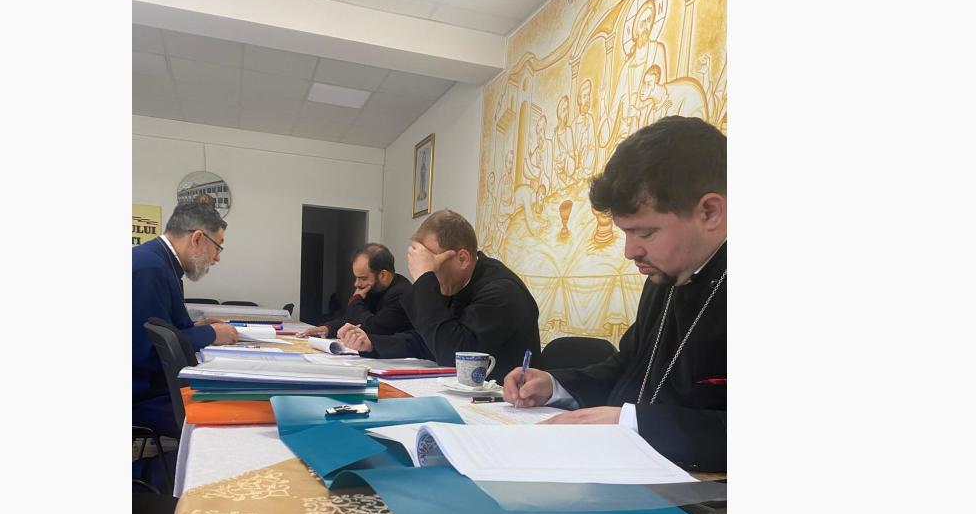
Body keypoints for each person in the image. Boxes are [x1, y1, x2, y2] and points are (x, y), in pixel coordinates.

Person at [503, 116, 726, 471]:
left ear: (710, 212)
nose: (630, 251)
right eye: (626, 233)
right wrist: (555, 385)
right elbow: (629, 366)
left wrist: (632, 423)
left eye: (645, 233)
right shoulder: (665, 278)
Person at [337, 209, 540, 383]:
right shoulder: (456, 283)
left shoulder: (502, 291)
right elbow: (425, 341)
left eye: (430, 265)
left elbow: (453, 355)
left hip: (506, 405)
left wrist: (424, 279)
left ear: (462, 259)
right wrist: (371, 343)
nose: (429, 277)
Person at [132, 200, 237, 437]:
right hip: (141, 396)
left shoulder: (157, 262)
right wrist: (210, 334)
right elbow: (148, 351)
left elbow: (159, 328)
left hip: (149, 387)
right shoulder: (150, 269)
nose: (217, 258)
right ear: (197, 238)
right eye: (218, 247)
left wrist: (196, 327)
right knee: (229, 412)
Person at [298, 243, 413, 338]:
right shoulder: (374, 288)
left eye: (363, 278)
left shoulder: (402, 294)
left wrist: (355, 301)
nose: (356, 284)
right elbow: (351, 318)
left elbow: (374, 328)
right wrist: (328, 328)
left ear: (383, 275)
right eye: (356, 277)